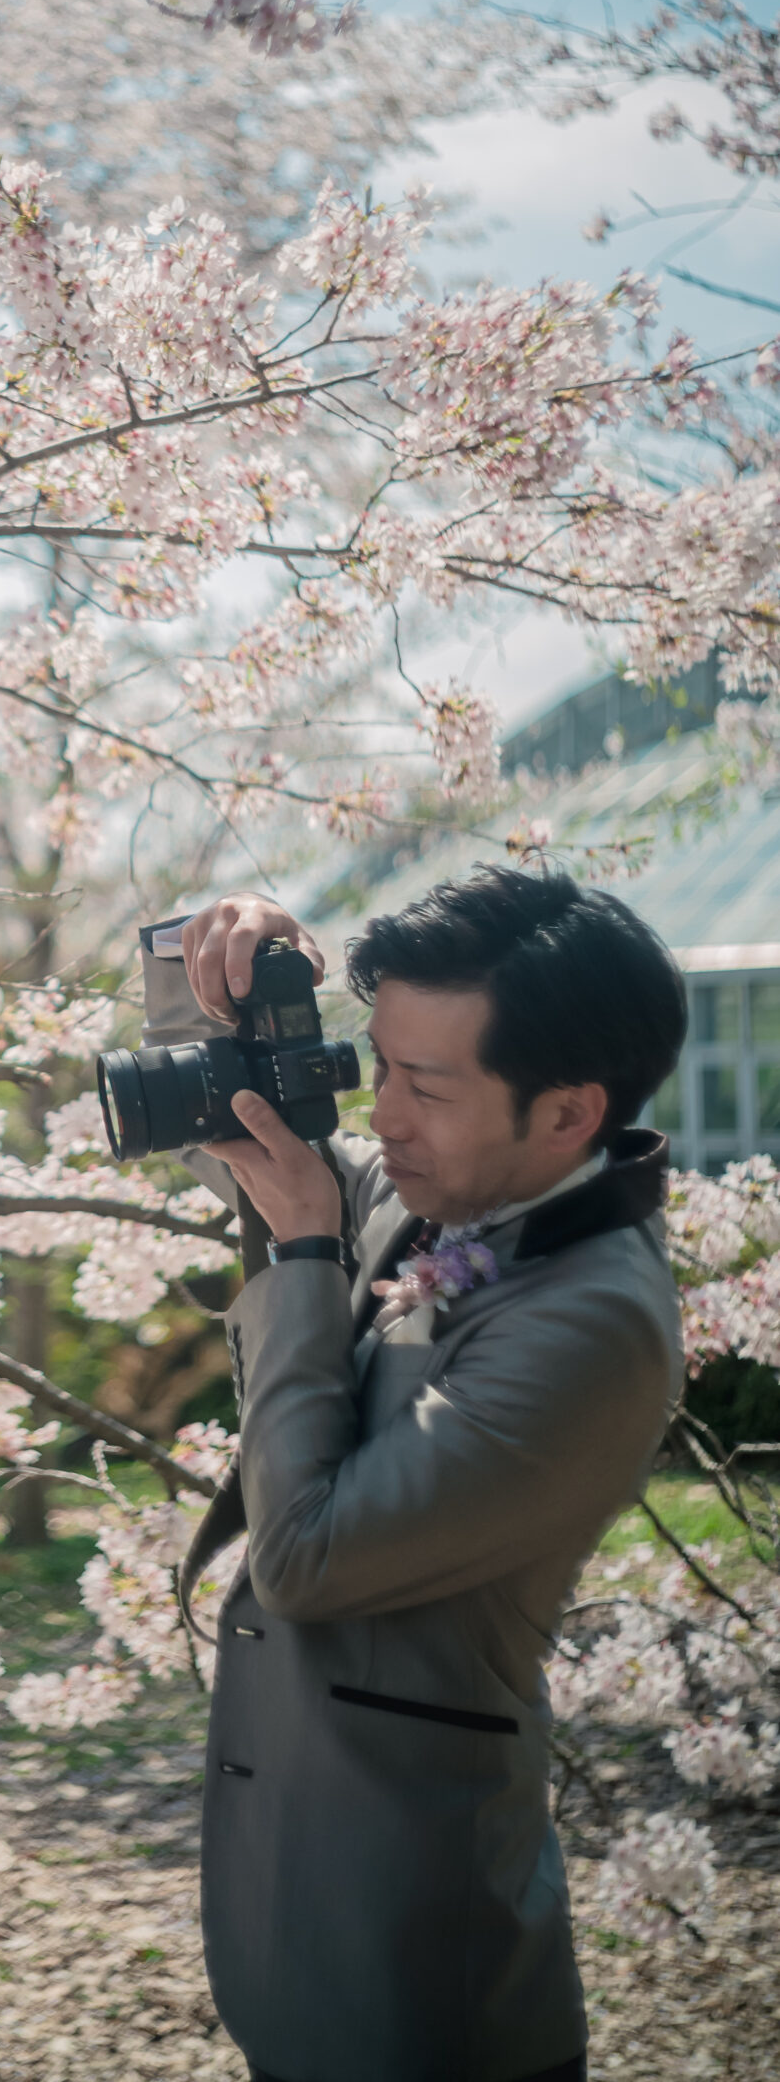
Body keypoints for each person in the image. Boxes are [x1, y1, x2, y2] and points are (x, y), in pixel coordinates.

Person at [142, 865, 688, 2082]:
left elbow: (304, 1560)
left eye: (423, 1085)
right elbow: (240, 1143)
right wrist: (213, 964)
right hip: (302, 1902)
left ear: (564, 1113)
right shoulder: (450, 1186)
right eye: (374, 1064)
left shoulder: (594, 1320)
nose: (380, 1117)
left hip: (422, 1963)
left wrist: (299, 1245)